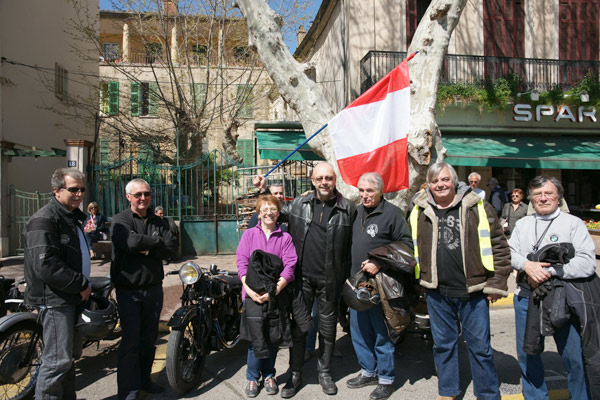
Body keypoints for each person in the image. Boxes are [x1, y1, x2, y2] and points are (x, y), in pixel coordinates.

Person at [254, 162, 355, 397]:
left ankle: (325, 374)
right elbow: (273, 209)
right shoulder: (300, 204)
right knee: (299, 329)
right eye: (319, 178)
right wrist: (263, 191)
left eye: (328, 178)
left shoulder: (348, 208)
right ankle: (295, 374)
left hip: (330, 281)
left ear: (334, 180)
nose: (324, 182)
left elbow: (353, 244)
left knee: (328, 332)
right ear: (312, 179)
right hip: (302, 281)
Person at [410, 162, 510, 400]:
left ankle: (487, 394)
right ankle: (448, 391)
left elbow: (498, 245)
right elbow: (412, 246)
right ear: (429, 185)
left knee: (481, 349)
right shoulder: (419, 209)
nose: (440, 185)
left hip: (473, 291)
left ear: (454, 181)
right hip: (436, 291)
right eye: (435, 181)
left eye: (444, 180)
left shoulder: (476, 206)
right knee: (443, 346)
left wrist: (496, 283)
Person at [509, 175, 595, 400]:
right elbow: (510, 253)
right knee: (528, 356)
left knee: (574, 357)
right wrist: (526, 265)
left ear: (559, 198)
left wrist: (549, 271)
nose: (543, 198)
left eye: (548, 194)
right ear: (531, 199)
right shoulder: (523, 224)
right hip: (527, 297)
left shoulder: (573, 223)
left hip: (562, 298)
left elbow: (587, 263)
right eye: (537, 194)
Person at [23, 167, 92, 400]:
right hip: (55, 300)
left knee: (68, 360)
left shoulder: (70, 217)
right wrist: (81, 283)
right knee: (55, 362)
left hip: (69, 297)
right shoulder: (44, 219)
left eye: (82, 189)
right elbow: (46, 265)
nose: (79, 194)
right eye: (73, 189)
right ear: (56, 190)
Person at [346, 172, 412, 400]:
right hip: (356, 284)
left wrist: (379, 261)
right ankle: (368, 371)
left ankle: (386, 378)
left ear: (381, 191)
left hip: (382, 286)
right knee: (359, 331)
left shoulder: (393, 214)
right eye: (361, 190)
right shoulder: (354, 212)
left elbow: (406, 246)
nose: (364, 195)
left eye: (370, 191)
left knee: (382, 333)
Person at [111, 178, 178, 400]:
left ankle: (145, 380)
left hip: (153, 288)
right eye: (138, 194)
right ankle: (128, 391)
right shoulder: (120, 220)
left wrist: (146, 247)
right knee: (130, 342)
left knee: (149, 340)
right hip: (128, 290)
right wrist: (156, 242)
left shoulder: (158, 221)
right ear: (128, 196)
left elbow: (171, 247)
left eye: (146, 194)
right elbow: (129, 244)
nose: (143, 198)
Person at [236, 195, 297, 397]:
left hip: (275, 295)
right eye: (264, 209)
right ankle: (252, 378)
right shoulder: (249, 236)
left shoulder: (285, 238)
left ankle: (269, 374)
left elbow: (290, 266)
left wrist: (274, 292)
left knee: (272, 338)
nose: (269, 213)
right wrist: (251, 292)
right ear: (258, 213)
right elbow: (241, 264)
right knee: (256, 340)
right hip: (252, 296)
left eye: (273, 209)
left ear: (279, 213)